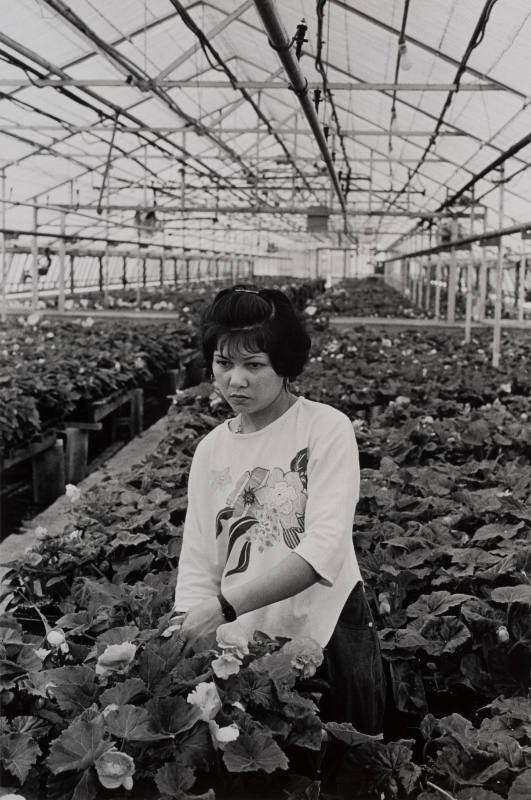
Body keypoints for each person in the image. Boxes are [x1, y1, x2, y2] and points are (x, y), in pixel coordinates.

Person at [172, 284, 386, 735]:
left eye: (254, 365)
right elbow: (198, 560)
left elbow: (323, 550)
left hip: (326, 635)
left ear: (285, 365)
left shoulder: (325, 429)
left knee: (336, 763)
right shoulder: (211, 449)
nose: (236, 380)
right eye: (223, 363)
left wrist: (225, 607)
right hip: (242, 650)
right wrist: (191, 624)